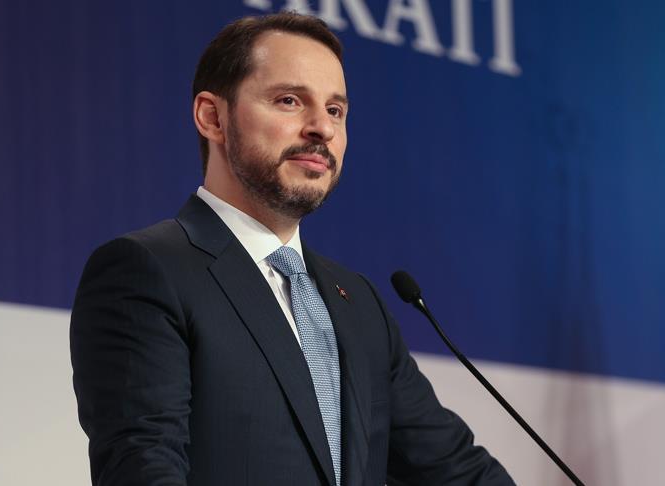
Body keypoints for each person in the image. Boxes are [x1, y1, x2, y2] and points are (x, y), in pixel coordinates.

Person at [70, 12, 515, 486]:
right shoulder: (147, 270)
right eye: (289, 100)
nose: (322, 128)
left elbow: (454, 470)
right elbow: (144, 467)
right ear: (212, 117)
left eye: (335, 110)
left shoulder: (359, 302)